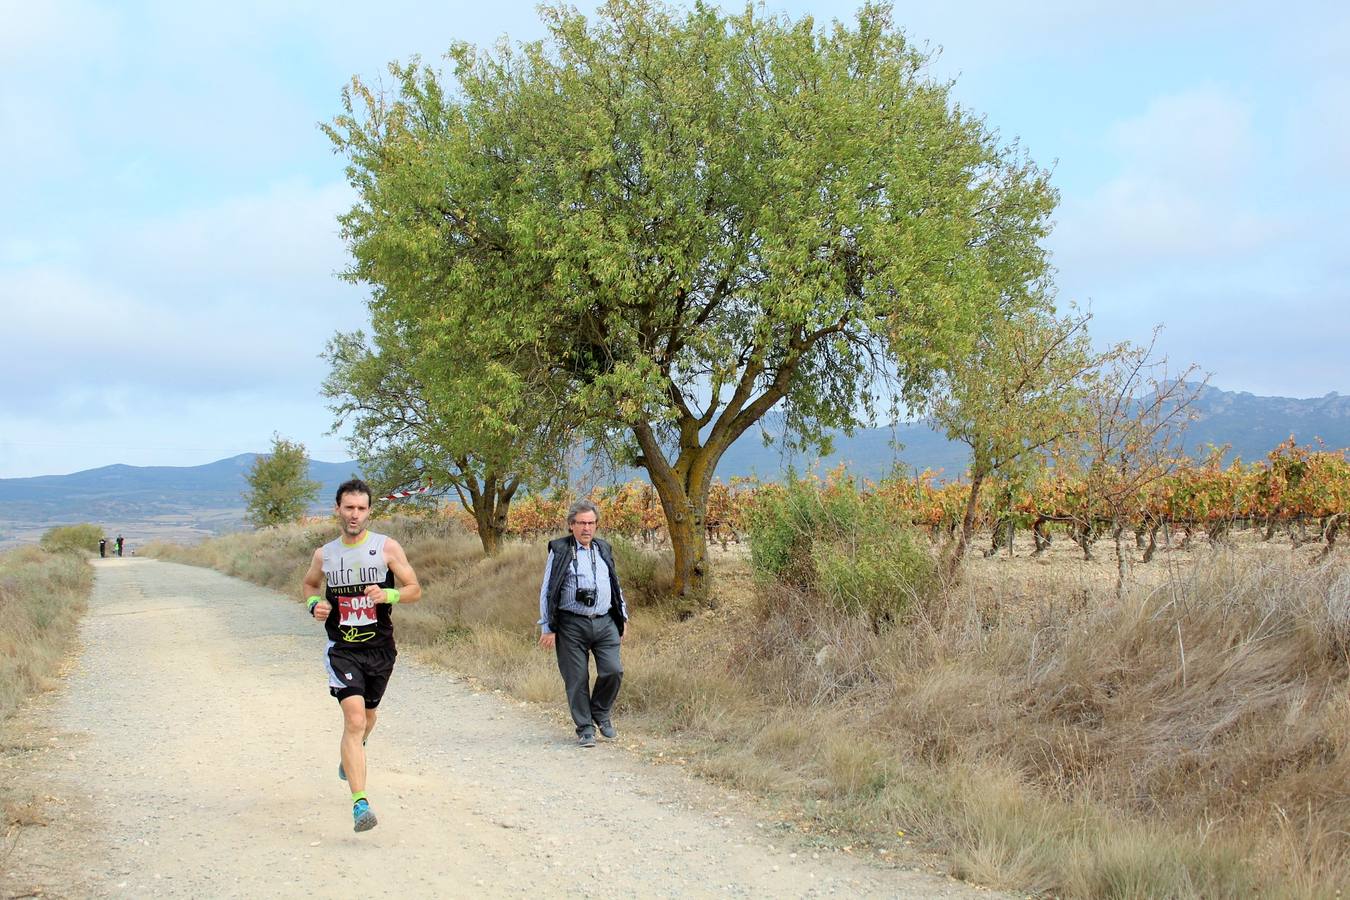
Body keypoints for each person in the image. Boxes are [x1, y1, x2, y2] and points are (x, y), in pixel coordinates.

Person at [301, 478, 421, 832]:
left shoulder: (387, 548)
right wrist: (314, 604)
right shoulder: (325, 554)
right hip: (342, 648)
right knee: (353, 720)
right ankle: (360, 804)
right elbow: (309, 585)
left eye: (361, 508)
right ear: (337, 509)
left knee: (368, 718)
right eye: (348, 508)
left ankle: (354, 751)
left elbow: (415, 589)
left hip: (380, 649)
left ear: (369, 511)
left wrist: (390, 596)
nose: (354, 515)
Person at [537, 499, 629, 747]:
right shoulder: (559, 550)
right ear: (571, 525)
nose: (587, 528)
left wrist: (623, 616)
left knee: (613, 670)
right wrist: (547, 626)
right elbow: (548, 589)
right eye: (581, 523)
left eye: (591, 523)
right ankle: (585, 728)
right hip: (571, 624)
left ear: (596, 525)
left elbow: (614, 584)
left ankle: (600, 712)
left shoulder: (604, 549)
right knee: (576, 678)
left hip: (605, 620)